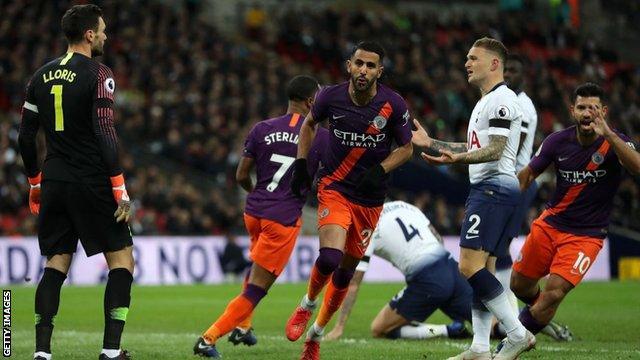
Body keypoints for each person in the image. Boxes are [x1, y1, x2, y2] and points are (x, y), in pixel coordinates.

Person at [18, 5, 133, 360]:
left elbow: (25, 136)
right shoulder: (99, 73)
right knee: (122, 262)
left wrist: (35, 181)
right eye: (102, 31)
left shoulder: (40, 76)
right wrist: (119, 186)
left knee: (56, 263)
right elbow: (103, 130)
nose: (105, 36)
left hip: (53, 180)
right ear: (88, 35)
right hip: (91, 181)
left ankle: (41, 353)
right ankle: (111, 352)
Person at [286, 41, 414, 360]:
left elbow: (407, 148)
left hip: (370, 200)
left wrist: (381, 169)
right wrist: (302, 164)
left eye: (371, 66)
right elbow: (309, 125)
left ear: (379, 72)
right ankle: (307, 305)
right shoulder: (330, 96)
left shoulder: (393, 105)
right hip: (335, 188)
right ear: (349, 65)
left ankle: (315, 335)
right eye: (359, 63)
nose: (363, 70)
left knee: (345, 272)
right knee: (329, 258)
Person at [412, 37, 534, 360]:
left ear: (494, 64)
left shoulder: (503, 100)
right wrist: (431, 143)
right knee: (486, 269)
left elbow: (494, 149)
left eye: (473, 58)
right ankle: (480, 346)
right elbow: (471, 148)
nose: (467, 63)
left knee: (468, 267)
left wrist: (456, 161)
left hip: (493, 189)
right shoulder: (485, 102)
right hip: (492, 190)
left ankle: (517, 333)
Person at [193, 75, 328, 358]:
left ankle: (243, 327)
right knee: (257, 288)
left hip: (254, 212)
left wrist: (257, 193)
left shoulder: (261, 128)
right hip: (283, 218)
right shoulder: (320, 136)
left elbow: (241, 174)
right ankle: (209, 338)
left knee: (256, 268)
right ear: (310, 102)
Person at [511, 82, 640, 341]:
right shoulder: (557, 142)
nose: (587, 113)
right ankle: (541, 316)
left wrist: (610, 135)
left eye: (593, 108)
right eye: (581, 107)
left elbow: (637, 168)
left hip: (586, 235)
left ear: (603, 111)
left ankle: (511, 342)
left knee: (554, 292)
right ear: (572, 111)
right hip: (550, 224)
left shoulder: (616, 143)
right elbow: (526, 178)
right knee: (519, 285)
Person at [324, 201, 472, 342]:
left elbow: (354, 283)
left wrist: (339, 327)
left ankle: (449, 330)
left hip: (428, 280)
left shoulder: (366, 225)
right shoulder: (403, 205)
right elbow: (438, 238)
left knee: (379, 328)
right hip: (450, 266)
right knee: (489, 324)